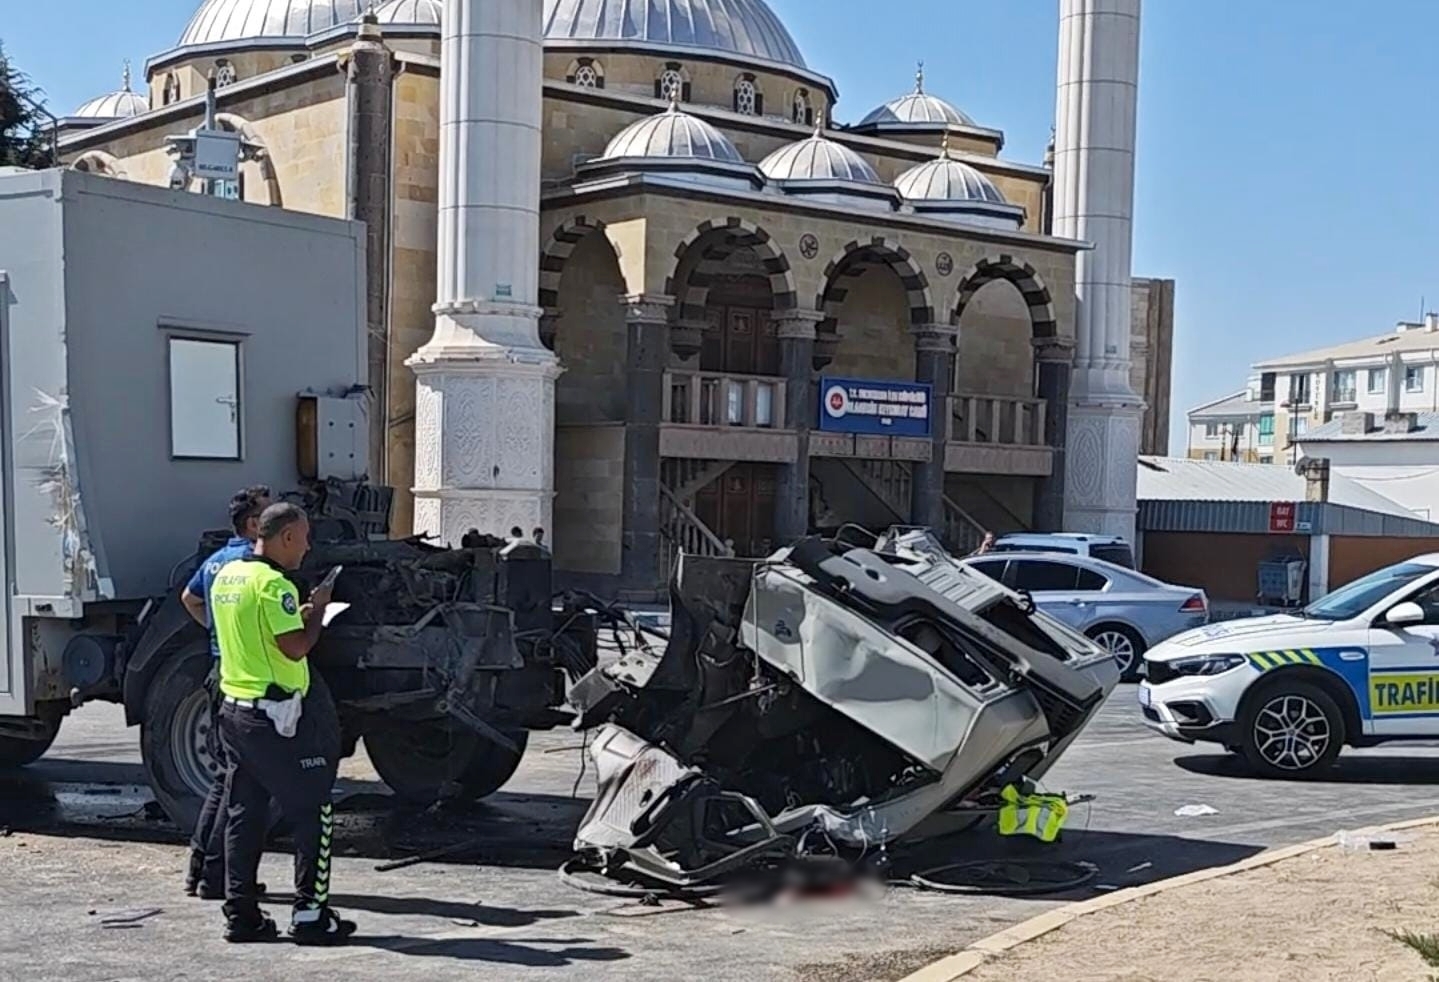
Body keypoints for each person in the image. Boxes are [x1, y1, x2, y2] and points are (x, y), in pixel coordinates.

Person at [210, 502, 355, 944]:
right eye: (304, 537)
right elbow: (294, 647)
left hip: (234, 710)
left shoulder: (228, 576)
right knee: (315, 810)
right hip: (276, 719)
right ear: (286, 537)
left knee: (244, 813)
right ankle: (310, 914)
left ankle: (242, 914)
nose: (307, 547)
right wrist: (317, 613)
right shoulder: (276, 588)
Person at [181, 485, 272, 899]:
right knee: (240, 786)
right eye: (270, 515)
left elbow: (190, 598)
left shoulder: (217, 560)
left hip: (219, 670)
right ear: (254, 524)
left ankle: (199, 867)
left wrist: (217, 634)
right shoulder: (253, 563)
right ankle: (217, 877)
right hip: (245, 679)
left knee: (223, 778)